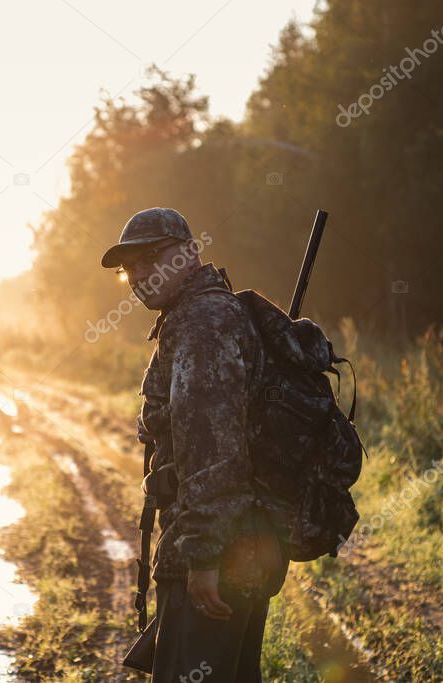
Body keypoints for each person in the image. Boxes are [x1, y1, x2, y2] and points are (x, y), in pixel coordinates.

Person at [101, 207, 289, 682]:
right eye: (130, 267)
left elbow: (213, 449)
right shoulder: (201, 313)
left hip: (217, 554)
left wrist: (203, 557)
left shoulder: (202, 322)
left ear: (189, 253)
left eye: (151, 257)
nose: (140, 274)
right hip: (238, 544)